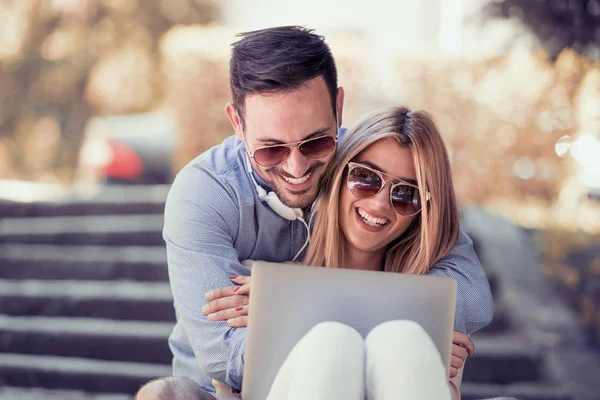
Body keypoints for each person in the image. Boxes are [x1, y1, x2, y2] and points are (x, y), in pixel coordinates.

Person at [142, 26, 492, 399]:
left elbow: (469, 293)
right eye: (271, 149)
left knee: (388, 343)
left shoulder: (362, 167)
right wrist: (408, 315)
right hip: (224, 391)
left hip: (360, 375)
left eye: (316, 142)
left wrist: (283, 298)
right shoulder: (206, 193)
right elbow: (224, 354)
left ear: (338, 108)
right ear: (237, 123)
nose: (296, 168)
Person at [205, 106, 479, 400]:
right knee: (333, 342)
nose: (379, 205)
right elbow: (224, 385)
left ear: (423, 211)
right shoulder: (262, 286)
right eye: (366, 178)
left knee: (405, 339)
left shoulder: (430, 309)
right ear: (339, 175)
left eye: (406, 194)